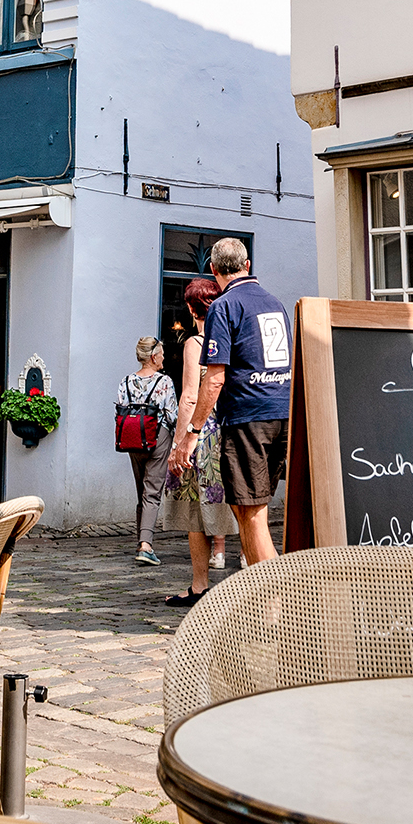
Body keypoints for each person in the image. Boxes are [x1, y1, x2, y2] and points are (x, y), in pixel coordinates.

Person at [177, 237, 292, 572]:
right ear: (247, 265)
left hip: (248, 418)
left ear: (213, 269)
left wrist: (192, 432)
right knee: (251, 511)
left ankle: (279, 594)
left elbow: (214, 379)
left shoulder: (224, 306)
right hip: (283, 412)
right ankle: (261, 590)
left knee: (251, 515)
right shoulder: (274, 303)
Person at [161, 278, 237, 605]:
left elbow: (190, 396)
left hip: (203, 435)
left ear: (192, 311)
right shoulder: (232, 337)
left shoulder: (196, 342)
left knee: (195, 511)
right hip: (232, 430)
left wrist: (180, 443)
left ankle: (199, 585)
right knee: (241, 508)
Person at [119, 337, 179, 567]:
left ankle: (141, 541)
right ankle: (146, 546)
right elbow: (172, 415)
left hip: (133, 438)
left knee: (141, 491)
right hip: (157, 437)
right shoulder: (164, 382)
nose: (164, 357)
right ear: (153, 357)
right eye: (161, 353)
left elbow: (120, 407)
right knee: (152, 492)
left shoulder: (126, 381)